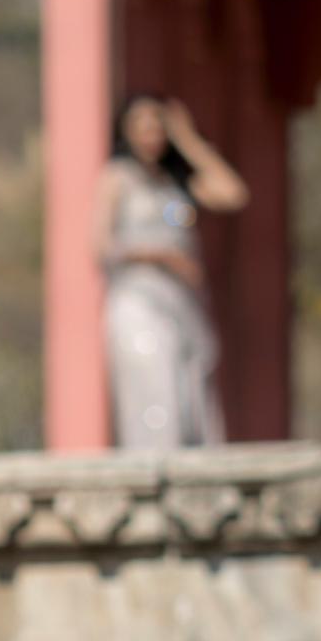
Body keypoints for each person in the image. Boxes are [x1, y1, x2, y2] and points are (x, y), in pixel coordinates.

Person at [98, 93, 246, 452]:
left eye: (157, 124)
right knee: (156, 391)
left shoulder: (176, 184)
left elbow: (234, 194)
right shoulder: (117, 178)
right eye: (141, 125)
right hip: (139, 302)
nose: (150, 133)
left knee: (189, 394)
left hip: (182, 304)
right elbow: (102, 247)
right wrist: (161, 257)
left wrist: (189, 140)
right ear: (125, 131)